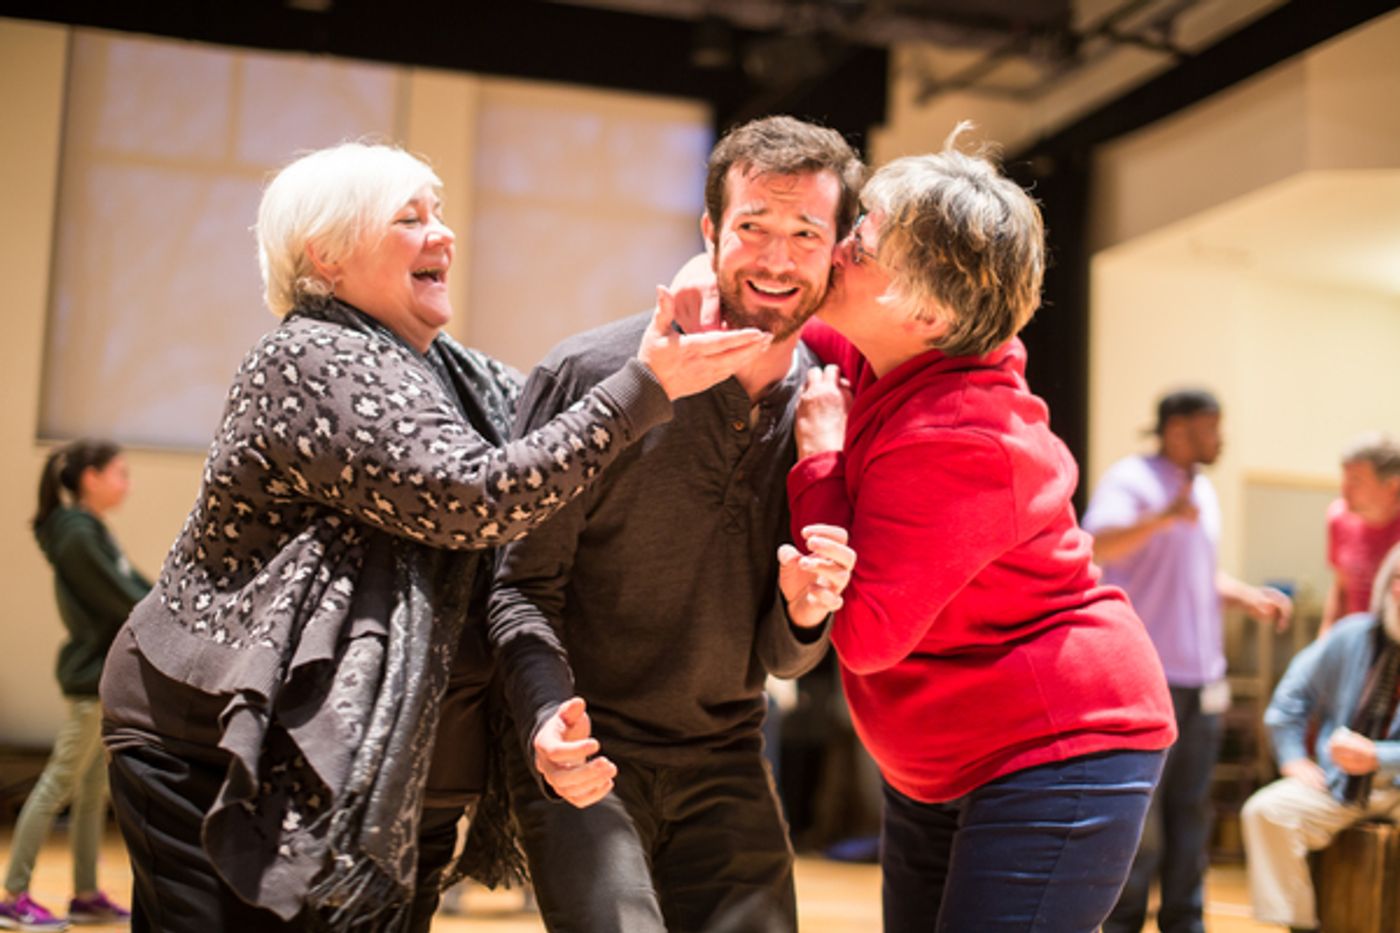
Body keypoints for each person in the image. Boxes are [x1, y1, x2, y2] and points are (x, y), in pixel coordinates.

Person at [95, 141, 771, 933]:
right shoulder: (307, 357)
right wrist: (645, 381)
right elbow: (473, 496)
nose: (443, 234)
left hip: (394, 777)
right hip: (219, 747)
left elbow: (562, 451)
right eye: (410, 218)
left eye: (440, 212)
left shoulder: (455, 375)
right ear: (327, 255)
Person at [784, 126, 1178, 932]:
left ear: (926, 308)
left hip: (1057, 744)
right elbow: (769, 305)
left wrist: (821, 459)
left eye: (863, 240)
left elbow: (862, 634)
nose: (840, 246)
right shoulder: (892, 352)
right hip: (946, 753)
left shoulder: (963, 438)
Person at [486, 114, 863, 933]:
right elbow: (520, 584)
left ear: (838, 249)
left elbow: (782, 656)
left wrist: (805, 610)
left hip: (728, 754)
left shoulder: (830, 415)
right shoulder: (595, 374)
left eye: (805, 233)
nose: (774, 258)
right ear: (710, 231)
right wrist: (547, 717)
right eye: (753, 226)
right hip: (587, 749)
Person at [1084, 388, 1293, 933]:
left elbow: (1193, 574)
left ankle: (1185, 920)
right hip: (1145, 677)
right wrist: (1165, 516)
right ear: (1177, 428)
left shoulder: (1200, 489)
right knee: (1141, 816)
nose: (1219, 438)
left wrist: (1245, 594)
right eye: (1210, 426)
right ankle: (1123, 920)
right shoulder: (1134, 480)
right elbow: (1096, 545)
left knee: (1191, 810)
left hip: (1203, 681)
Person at [1, 440, 147, 932]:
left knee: (91, 791)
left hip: (103, 674)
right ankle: (11, 895)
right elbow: (119, 599)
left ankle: (85, 895)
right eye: (120, 473)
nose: (126, 483)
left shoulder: (89, 531)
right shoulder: (77, 535)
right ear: (90, 477)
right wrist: (164, 614)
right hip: (91, 679)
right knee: (57, 784)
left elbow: (132, 588)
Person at [1240, 542, 1400, 932]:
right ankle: (1302, 926)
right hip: (1341, 781)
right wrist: (1293, 757)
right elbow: (1289, 699)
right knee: (1266, 812)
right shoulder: (1351, 635)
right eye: (1397, 583)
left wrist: (1379, 755)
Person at [1320, 432, 1400, 635]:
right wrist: (1326, 635)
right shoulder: (1338, 518)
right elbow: (1341, 587)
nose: (1344, 491)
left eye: (1356, 481)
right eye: (1344, 480)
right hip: (1359, 643)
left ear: (1392, 486)